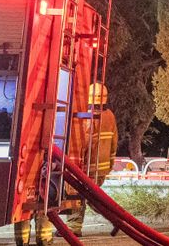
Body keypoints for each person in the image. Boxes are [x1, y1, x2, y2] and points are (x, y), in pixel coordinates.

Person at [65, 82, 119, 236]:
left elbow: (84, 143)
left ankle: (74, 228)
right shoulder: (110, 116)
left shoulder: (89, 117)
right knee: (92, 198)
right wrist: (110, 164)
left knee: (77, 195)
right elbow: (114, 142)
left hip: (88, 167)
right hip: (101, 168)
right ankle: (116, 218)